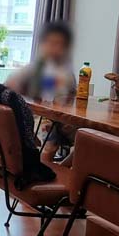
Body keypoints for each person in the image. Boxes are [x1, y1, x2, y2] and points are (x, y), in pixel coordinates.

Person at [6, 21, 76, 162]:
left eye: (60, 44)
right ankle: (43, 170)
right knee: (50, 144)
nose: (55, 48)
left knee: (88, 139)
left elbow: (71, 93)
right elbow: (10, 86)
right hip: (40, 115)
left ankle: (63, 168)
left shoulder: (67, 71)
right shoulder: (33, 69)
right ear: (42, 44)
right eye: (51, 43)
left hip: (63, 116)